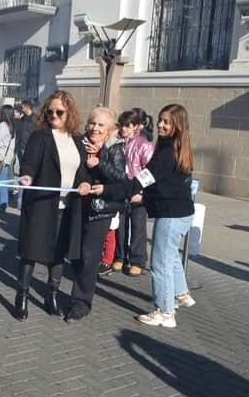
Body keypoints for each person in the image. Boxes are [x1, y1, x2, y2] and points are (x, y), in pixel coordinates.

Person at [92, 104, 196, 328]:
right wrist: (142, 193)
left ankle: (165, 312)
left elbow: (139, 182)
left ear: (178, 125)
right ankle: (181, 294)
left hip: (171, 216)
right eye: (160, 120)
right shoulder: (171, 147)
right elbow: (161, 184)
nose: (160, 124)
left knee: (160, 264)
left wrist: (106, 190)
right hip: (180, 213)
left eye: (166, 122)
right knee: (171, 256)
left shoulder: (166, 154)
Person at [14, 90, 91, 321]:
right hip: (41, 204)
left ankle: (52, 295)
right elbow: (28, 164)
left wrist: (86, 182)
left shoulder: (77, 140)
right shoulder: (41, 136)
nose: (54, 116)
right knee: (30, 250)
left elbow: (84, 171)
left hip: (67, 206)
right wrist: (26, 176)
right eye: (50, 112)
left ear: (69, 113)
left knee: (57, 254)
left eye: (59, 112)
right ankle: (23, 296)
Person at [64, 107, 127, 321]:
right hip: (76, 205)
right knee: (75, 254)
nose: (95, 128)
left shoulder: (114, 150)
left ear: (109, 129)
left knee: (90, 257)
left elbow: (121, 180)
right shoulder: (78, 143)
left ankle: (81, 303)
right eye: (92, 123)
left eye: (101, 125)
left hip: (100, 210)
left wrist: (99, 165)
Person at [109, 109, 154, 276]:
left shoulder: (144, 144)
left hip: (138, 192)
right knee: (120, 225)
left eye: (128, 126)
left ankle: (138, 260)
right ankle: (120, 256)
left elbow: (150, 170)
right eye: (122, 126)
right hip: (121, 190)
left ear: (136, 126)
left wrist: (141, 192)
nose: (124, 129)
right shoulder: (119, 144)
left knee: (138, 226)